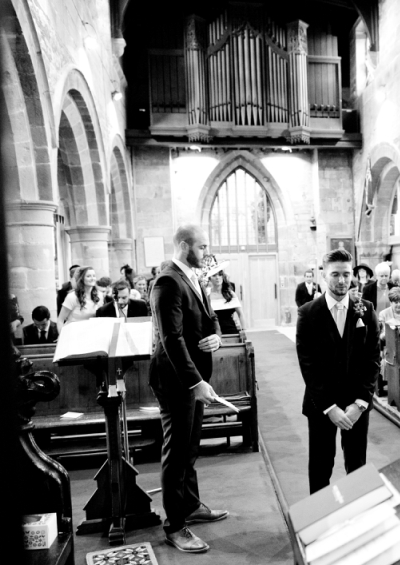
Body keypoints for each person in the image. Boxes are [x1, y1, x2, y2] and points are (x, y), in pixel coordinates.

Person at [150, 224, 227, 553]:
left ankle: (191, 505)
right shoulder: (168, 281)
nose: (206, 253)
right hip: (177, 379)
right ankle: (175, 525)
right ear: (184, 246)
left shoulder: (192, 277)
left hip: (194, 377)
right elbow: (171, 338)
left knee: (190, 447)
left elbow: (210, 318)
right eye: (202, 246)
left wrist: (217, 336)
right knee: (177, 451)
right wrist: (195, 382)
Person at [296, 248, 380, 494]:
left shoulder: (366, 308)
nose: (342, 280)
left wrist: (361, 403)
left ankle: (359, 517)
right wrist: (330, 408)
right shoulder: (308, 313)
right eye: (335, 274)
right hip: (321, 404)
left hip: (357, 403)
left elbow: (373, 359)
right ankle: (320, 524)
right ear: (324, 275)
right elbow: (308, 365)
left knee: (357, 464)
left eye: (346, 274)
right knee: (321, 465)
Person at [207, 262, 244, 335]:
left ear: (223, 277)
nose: (217, 277)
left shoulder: (230, 294)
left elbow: (240, 313)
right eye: (214, 275)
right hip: (213, 332)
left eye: (220, 275)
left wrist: (244, 330)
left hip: (231, 330)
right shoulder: (207, 296)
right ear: (210, 278)